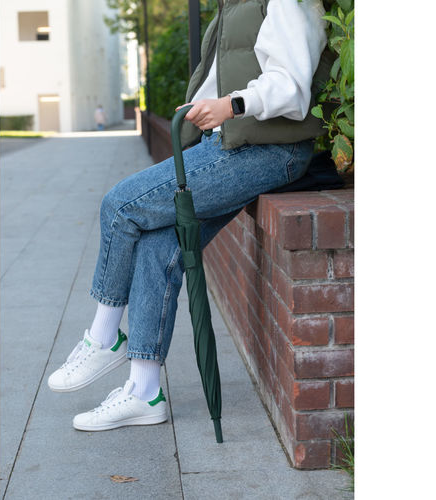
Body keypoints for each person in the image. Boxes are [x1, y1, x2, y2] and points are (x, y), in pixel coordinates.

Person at [48, 0, 330, 432]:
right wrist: (202, 110)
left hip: (269, 149)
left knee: (119, 207)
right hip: (231, 143)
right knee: (157, 244)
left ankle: (104, 338)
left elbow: (291, 87)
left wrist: (231, 106)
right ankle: (144, 392)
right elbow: (220, 77)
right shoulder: (234, 5)